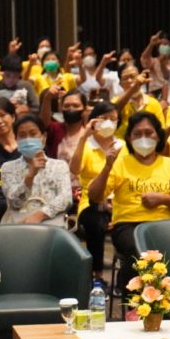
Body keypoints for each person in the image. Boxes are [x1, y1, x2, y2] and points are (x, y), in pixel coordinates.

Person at [88, 111, 170, 293]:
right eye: (137, 134)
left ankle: (166, 298)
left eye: (148, 132)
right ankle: (135, 299)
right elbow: (94, 196)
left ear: (158, 136)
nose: (143, 138)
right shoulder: (119, 164)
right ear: (129, 139)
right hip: (128, 225)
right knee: (137, 247)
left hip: (164, 225)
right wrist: (107, 166)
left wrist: (163, 199)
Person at [69, 101, 123, 281]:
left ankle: (127, 275)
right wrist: (83, 136)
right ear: (94, 121)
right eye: (104, 118)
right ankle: (96, 275)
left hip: (121, 200)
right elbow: (74, 169)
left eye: (113, 119)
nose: (109, 122)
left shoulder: (123, 146)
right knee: (95, 221)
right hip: (91, 201)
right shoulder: (86, 145)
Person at [0, 115, 72, 226]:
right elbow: (14, 203)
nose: (28, 139)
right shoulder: (7, 168)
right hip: (19, 226)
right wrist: (30, 176)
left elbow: (65, 199)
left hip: (51, 226)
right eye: (22, 135)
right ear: (16, 139)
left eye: (33, 134)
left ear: (44, 137)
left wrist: (39, 215)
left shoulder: (59, 166)